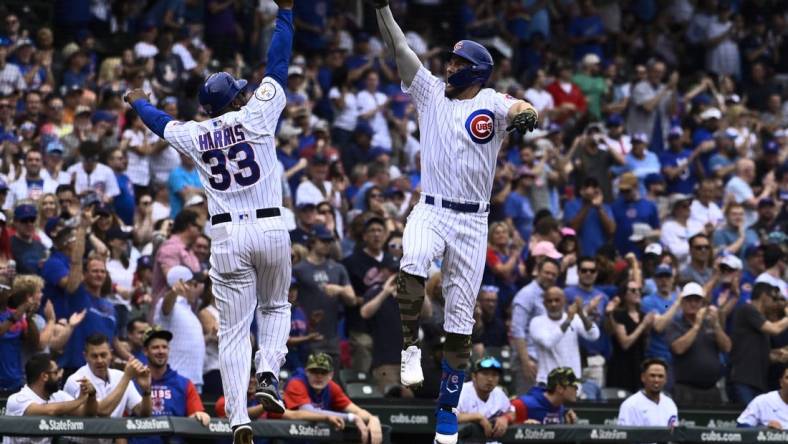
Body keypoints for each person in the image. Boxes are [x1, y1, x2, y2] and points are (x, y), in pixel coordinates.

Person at [124, 2, 296, 441]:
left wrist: (137, 99)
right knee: (275, 306)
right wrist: (286, 13)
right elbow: (277, 63)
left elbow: (159, 122)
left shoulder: (197, 134)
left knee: (234, 333)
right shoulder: (256, 113)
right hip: (270, 225)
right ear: (237, 98)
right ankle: (270, 374)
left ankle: (239, 417)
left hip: (226, 234)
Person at [368, 2, 539, 442]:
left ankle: (447, 412)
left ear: (476, 70)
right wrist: (383, 9)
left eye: (459, 62)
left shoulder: (489, 101)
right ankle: (409, 347)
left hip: (473, 221)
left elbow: (520, 106)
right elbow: (400, 46)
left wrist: (527, 115)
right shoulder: (427, 91)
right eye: (450, 59)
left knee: (461, 320)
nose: (449, 66)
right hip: (431, 206)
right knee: (414, 257)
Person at [130, 326, 210, 444]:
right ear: (145, 351)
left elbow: (197, 414)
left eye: (164, 347)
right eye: (155, 347)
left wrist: (200, 415)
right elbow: (121, 423)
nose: (161, 351)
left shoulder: (185, 384)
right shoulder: (133, 383)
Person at [63, 334, 152, 438]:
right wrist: (127, 377)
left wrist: (146, 390)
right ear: (85, 356)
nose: (99, 360)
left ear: (111, 354)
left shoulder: (120, 376)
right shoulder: (76, 379)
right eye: (94, 356)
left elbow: (143, 412)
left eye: (103, 355)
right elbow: (102, 411)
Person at [283, 353, 383, 444]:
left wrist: (372, 418)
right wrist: (351, 417)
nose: (319, 376)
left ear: (331, 375)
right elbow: (307, 410)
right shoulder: (296, 383)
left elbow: (357, 411)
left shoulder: (332, 387)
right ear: (307, 372)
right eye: (314, 371)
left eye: (323, 372)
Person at [2, 354, 98, 444]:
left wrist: (91, 395)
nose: (60, 375)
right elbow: (49, 410)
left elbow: (85, 413)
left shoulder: (58, 396)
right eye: (56, 372)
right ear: (44, 376)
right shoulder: (17, 399)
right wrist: (80, 400)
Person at [665, 282, 731, 405]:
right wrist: (697, 325)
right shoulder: (675, 325)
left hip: (711, 389)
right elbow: (678, 348)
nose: (693, 304)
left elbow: (727, 347)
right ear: (682, 302)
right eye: (689, 300)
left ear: (702, 303)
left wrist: (716, 325)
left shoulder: (710, 324)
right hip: (685, 389)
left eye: (697, 300)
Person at [729, 283, 788, 404]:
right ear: (764, 296)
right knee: (749, 420)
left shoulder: (761, 320)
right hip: (743, 380)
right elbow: (774, 329)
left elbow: (759, 352)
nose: (775, 303)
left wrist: (778, 355)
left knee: (760, 422)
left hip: (758, 382)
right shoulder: (748, 309)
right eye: (773, 298)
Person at [529, 287, 600, 384]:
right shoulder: (536, 322)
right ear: (544, 303)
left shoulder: (574, 319)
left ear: (564, 301)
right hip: (546, 382)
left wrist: (582, 316)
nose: (553, 304)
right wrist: (568, 321)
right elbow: (548, 342)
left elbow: (594, 335)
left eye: (557, 300)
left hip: (571, 382)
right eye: (550, 301)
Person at [510, 259, 560, 392]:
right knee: (527, 405)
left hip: (546, 360)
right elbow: (517, 330)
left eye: (553, 274)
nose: (550, 277)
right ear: (538, 272)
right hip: (529, 360)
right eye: (547, 273)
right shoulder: (526, 295)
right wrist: (525, 362)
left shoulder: (550, 297)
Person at [153, 266, 205, 391]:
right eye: (193, 284)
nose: (196, 288)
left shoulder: (188, 311)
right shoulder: (168, 304)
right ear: (184, 285)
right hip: (177, 379)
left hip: (194, 380)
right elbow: (166, 306)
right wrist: (174, 292)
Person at [605, 281, 654, 393]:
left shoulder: (643, 315)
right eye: (632, 290)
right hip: (621, 366)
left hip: (639, 364)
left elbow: (645, 342)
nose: (637, 293)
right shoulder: (618, 315)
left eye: (639, 290)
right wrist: (643, 325)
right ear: (624, 294)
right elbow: (625, 343)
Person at [456, 357, 511, 443]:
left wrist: (505, 418)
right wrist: (478, 417)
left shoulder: (499, 393)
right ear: (474, 376)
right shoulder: (460, 391)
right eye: (485, 373)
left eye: (494, 375)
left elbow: (512, 412)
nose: (490, 379)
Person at [617, 358, 678, 427]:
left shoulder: (670, 404)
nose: (656, 380)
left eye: (660, 376)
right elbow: (625, 435)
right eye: (652, 375)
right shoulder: (630, 405)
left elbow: (674, 435)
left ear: (665, 379)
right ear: (643, 377)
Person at [510, 367, 579, 425]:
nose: (577, 389)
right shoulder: (521, 404)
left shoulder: (560, 408)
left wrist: (568, 426)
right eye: (574, 386)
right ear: (559, 389)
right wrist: (522, 426)